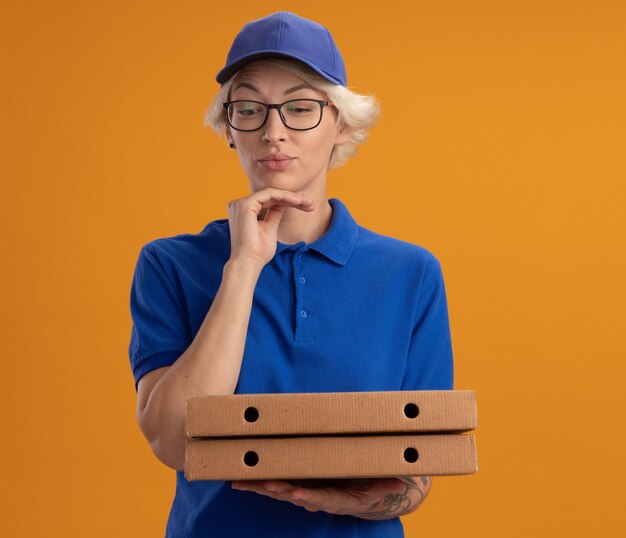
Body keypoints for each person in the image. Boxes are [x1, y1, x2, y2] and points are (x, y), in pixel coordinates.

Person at [128, 11, 454, 538]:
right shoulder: (170, 264)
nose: (273, 131)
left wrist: (348, 502)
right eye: (250, 108)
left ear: (341, 125)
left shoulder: (410, 273)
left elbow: (415, 471)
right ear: (229, 129)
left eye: (299, 107)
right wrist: (243, 266)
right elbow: (171, 442)